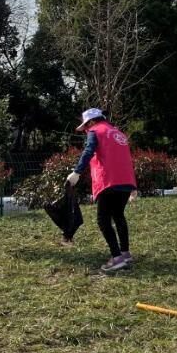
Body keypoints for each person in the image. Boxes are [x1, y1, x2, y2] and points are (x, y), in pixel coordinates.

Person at [67, 108, 137, 272]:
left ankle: (117, 258)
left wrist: (77, 172)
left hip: (108, 181)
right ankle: (125, 253)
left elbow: (88, 150)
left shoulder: (96, 131)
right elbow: (125, 158)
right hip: (126, 181)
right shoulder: (118, 133)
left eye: (86, 126)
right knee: (118, 215)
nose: (86, 130)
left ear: (92, 122)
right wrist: (134, 185)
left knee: (103, 220)